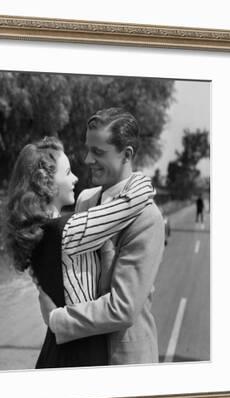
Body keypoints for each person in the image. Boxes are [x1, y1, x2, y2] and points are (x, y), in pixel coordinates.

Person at [5, 136, 155, 368]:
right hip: (80, 355)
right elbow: (131, 202)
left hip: (57, 350)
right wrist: (137, 175)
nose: (75, 178)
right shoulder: (68, 231)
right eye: (67, 173)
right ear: (46, 180)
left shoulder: (36, 232)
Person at [37, 108, 166, 365]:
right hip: (80, 352)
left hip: (122, 360)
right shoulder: (85, 199)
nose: (87, 159)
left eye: (98, 152)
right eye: (88, 149)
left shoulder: (147, 218)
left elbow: (123, 308)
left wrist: (57, 319)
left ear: (126, 154)